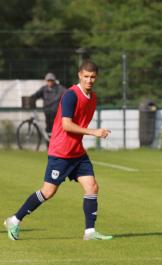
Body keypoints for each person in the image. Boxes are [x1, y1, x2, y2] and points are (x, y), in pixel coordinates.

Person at [4, 61, 113, 241]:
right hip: (61, 152)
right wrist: (94, 132)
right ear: (79, 75)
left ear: (97, 77)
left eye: (93, 77)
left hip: (77, 152)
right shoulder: (71, 95)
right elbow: (66, 125)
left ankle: (90, 232)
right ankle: (14, 220)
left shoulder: (93, 98)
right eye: (86, 76)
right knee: (48, 192)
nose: (89, 80)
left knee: (92, 186)